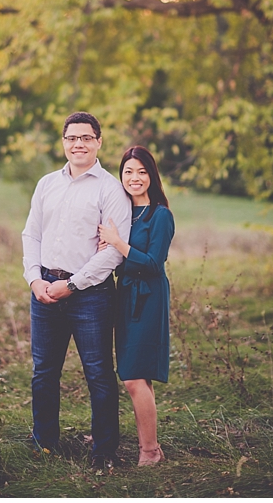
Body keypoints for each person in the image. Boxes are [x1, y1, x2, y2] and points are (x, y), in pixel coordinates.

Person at [20, 111, 132, 467]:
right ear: (63, 142)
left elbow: (114, 251)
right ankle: (44, 443)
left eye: (86, 137)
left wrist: (72, 284)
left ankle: (104, 452)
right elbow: (31, 234)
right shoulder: (47, 184)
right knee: (44, 372)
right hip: (44, 290)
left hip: (91, 295)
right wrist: (34, 278)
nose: (78, 144)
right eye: (72, 138)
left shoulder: (111, 189)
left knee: (98, 373)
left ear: (99, 142)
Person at [97, 146, 175, 467]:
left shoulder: (160, 215)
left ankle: (150, 452)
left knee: (133, 377)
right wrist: (106, 246)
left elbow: (154, 264)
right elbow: (115, 256)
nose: (135, 178)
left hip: (149, 297)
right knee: (135, 374)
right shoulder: (122, 213)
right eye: (128, 171)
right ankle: (150, 445)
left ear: (151, 176)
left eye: (142, 171)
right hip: (124, 295)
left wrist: (118, 244)